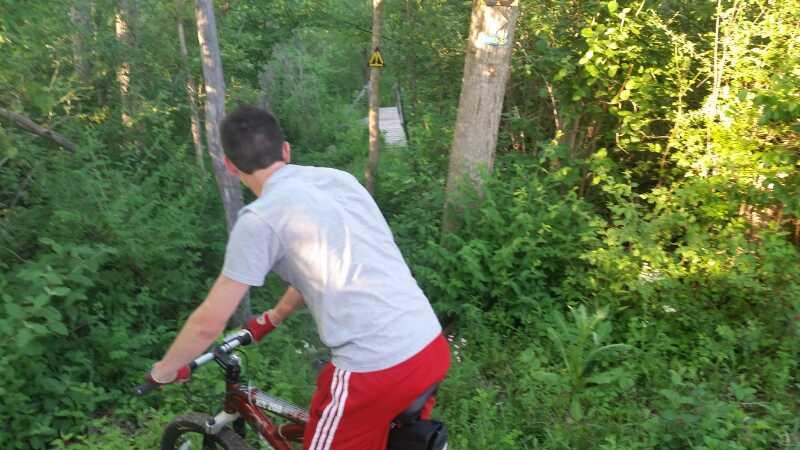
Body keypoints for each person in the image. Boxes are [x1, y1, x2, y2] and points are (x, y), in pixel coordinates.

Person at [146, 105, 450, 449]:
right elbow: (326, 263)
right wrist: (275, 315)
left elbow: (208, 323)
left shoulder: (260, 218)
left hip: (373, 371)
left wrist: (165, 370)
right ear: (286, 150)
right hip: (429, 344)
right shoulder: (339, 181)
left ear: (230, 167)